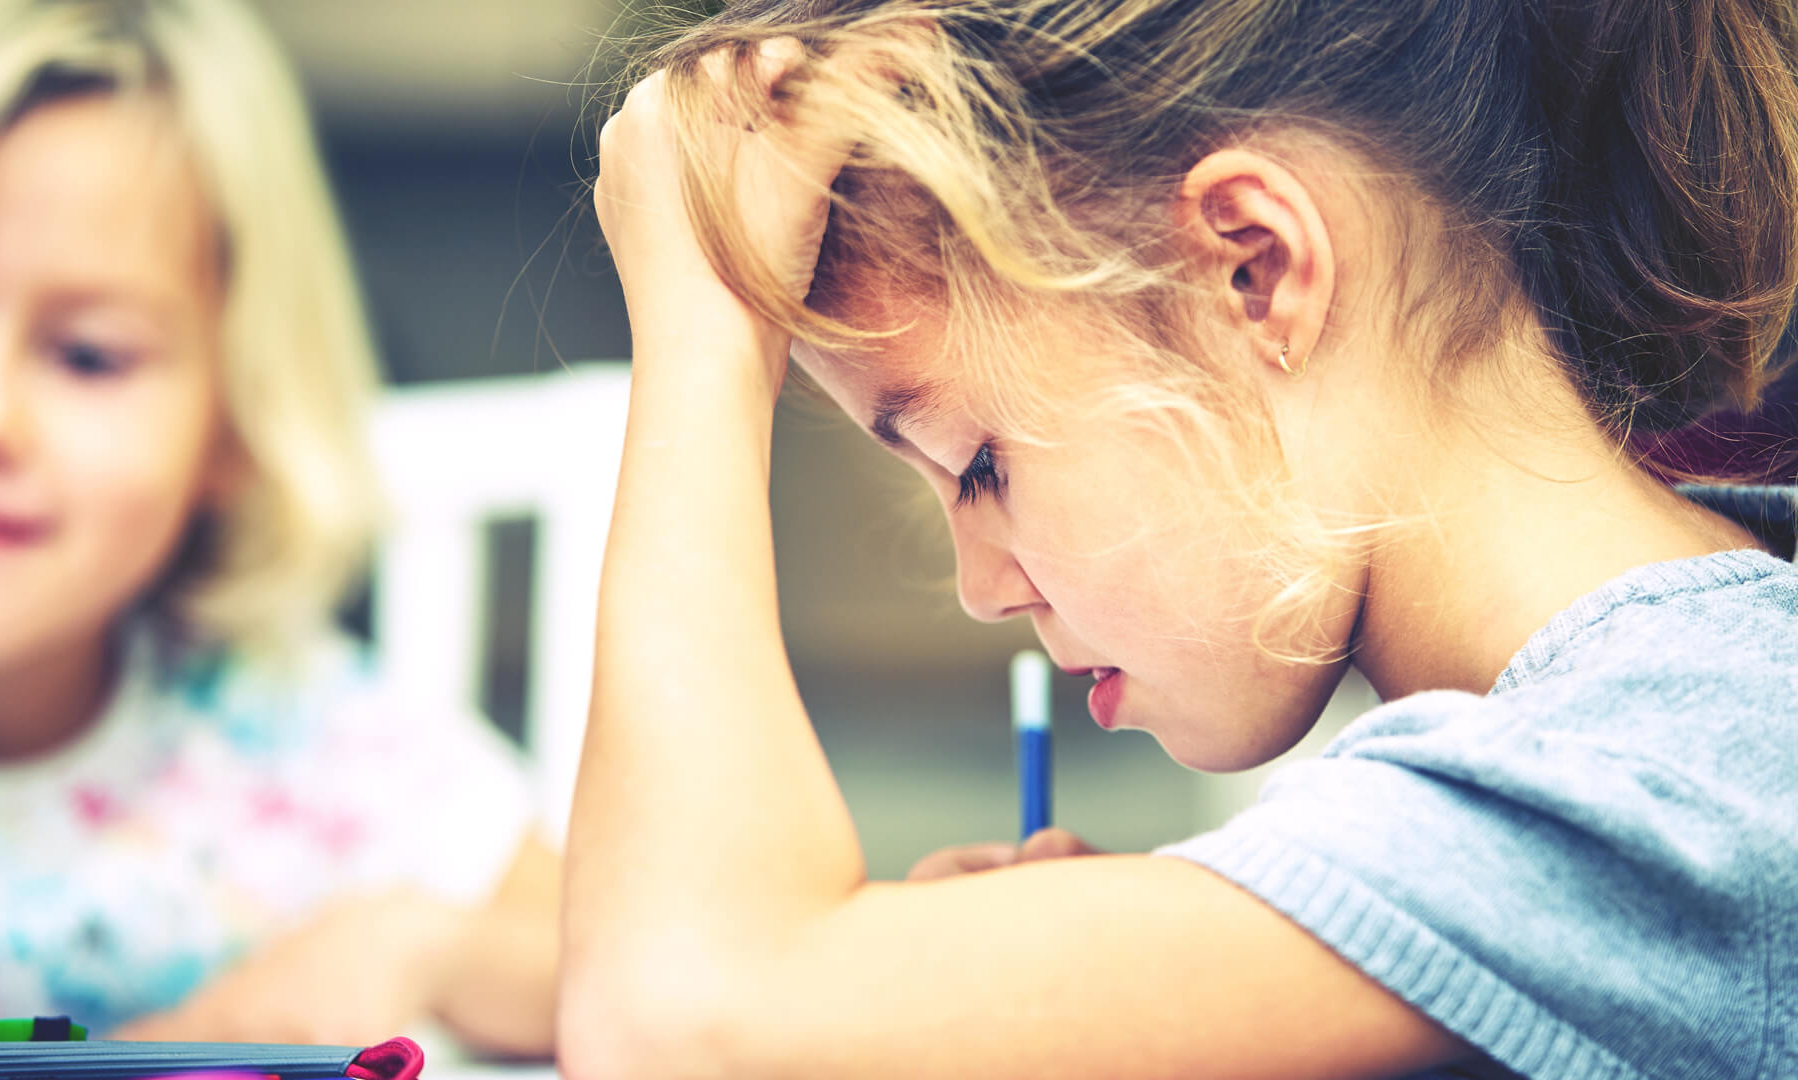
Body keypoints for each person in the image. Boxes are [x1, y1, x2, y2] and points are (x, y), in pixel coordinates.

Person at [559, 1, 1798, 1077]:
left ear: (1250, 274)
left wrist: (704, 338)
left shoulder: (1668, 779)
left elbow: (682, 1016)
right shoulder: (1673, 725)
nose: (982, 589)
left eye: (976, 464)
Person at [0, 0, 557, 1053]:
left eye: (88, 355)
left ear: (235, 426)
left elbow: (614, 965)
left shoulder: (284, 738)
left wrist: (420, 945)